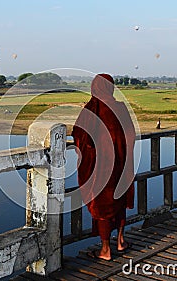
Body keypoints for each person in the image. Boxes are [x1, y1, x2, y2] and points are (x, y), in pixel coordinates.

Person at [72, 73, 136, 261]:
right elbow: (130, 134)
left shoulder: (92, 109)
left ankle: (105, 250)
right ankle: (121, 241)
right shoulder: (121, 108)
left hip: (101, 166)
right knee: (120, 199)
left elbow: (80, 136)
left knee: (102, 204)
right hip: (122, 163)